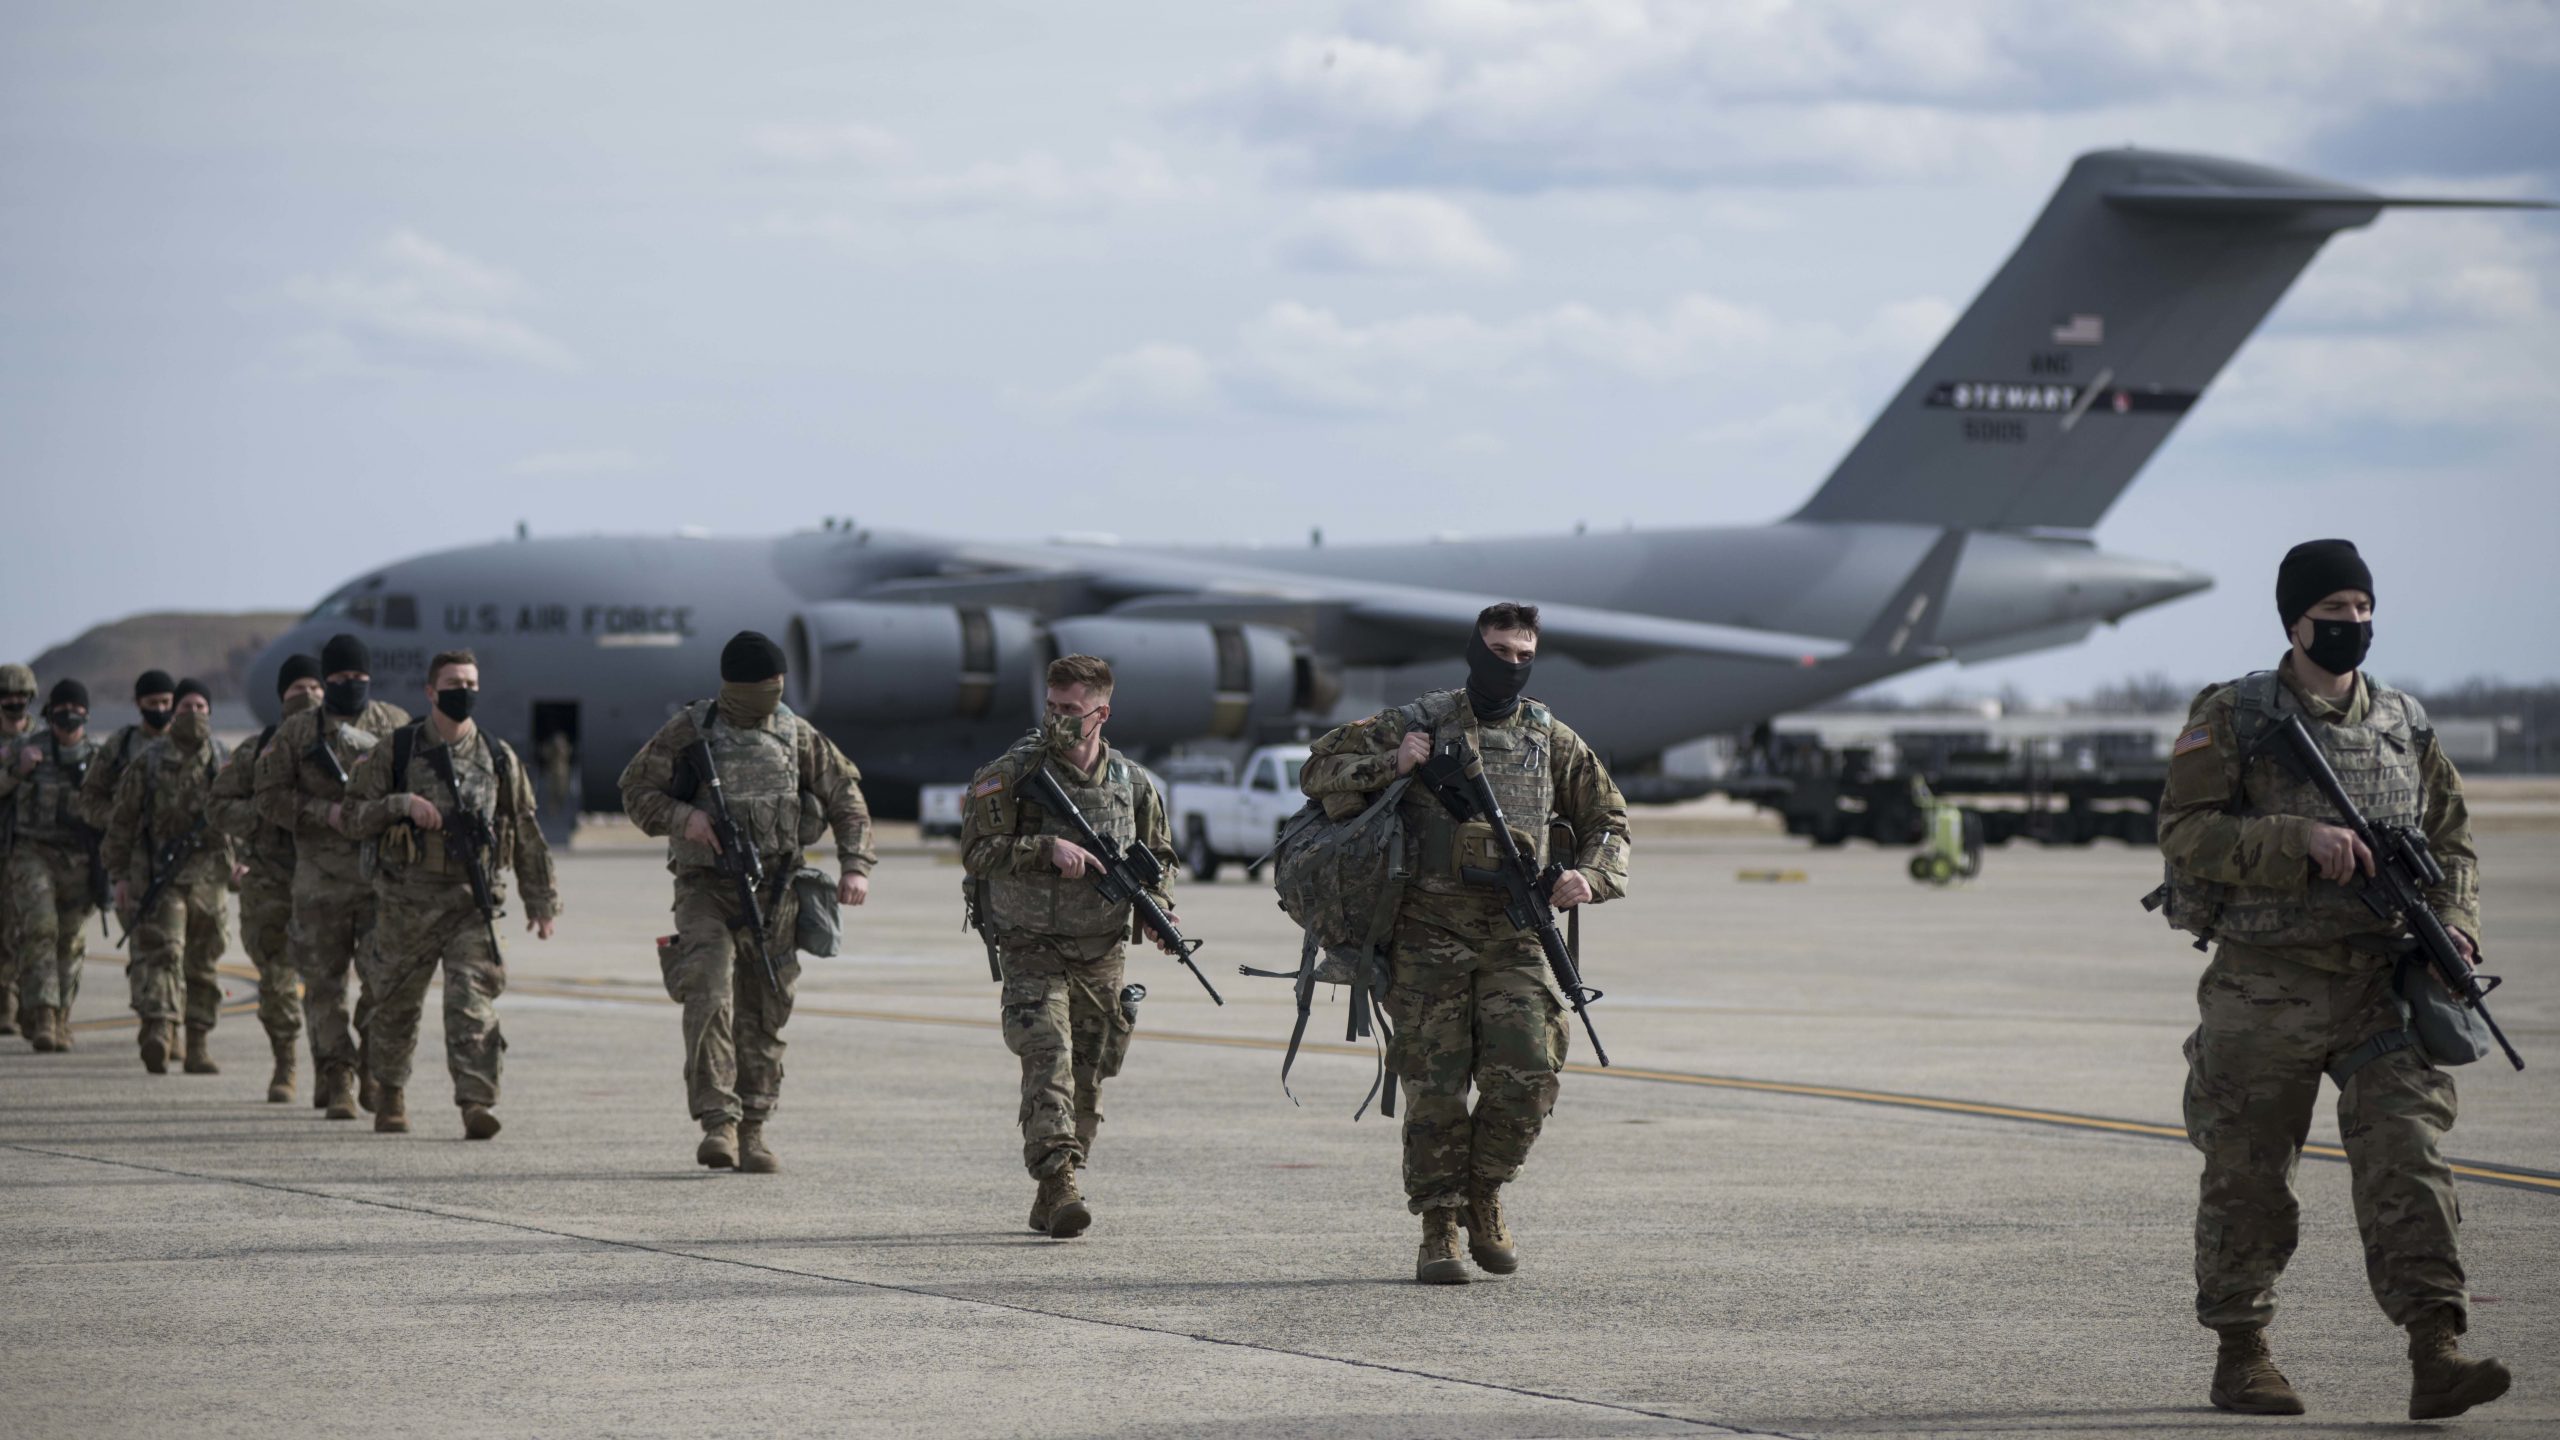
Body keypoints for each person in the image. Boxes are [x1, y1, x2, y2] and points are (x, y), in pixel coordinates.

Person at [2159, 539, 2510, 1421]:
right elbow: (2185, 833)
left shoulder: (2402, 721)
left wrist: (2456, 927)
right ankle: (2243, 1355)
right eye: (2335, 609)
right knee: (2246, 1178)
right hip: (2262, 990)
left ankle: (2437, 1349)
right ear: (2294, 621)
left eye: (2362, 607)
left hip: (2375, 988)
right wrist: (2296, 841)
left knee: (2411, 1162)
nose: (2353, 623)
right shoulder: (2235, 715)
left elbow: (2453, 838)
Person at [1299, 602, 1630, 1284]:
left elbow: (1609, 818)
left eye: (1522, 654)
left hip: (1516, 934)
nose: (1510, 664)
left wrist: (1589, 876)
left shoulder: (1551, 739)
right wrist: (1392, 762)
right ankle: (1438, 1225)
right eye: (1499, 650)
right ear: (1475, 650)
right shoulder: (1420, 720)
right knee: (1435, 1090)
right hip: (1428, 936)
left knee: (1532, 1074)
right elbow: (1317, 772)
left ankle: (1485, 1192)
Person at [616, 631, 873, 1172]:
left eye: (777, 688)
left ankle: (755, 1128)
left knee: (765, 1011)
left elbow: (845, 793)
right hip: (706, 889)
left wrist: (855, 865)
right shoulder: (691, 729)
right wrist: (686, 817)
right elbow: (635, 791)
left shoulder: (793, 733)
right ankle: (719, 1123)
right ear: (734, 686)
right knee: (709, 995)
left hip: (776, 891)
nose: (770, 698)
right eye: (761, 689)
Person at [960, 654, 1180, 1239]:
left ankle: (1057, 1182)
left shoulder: (1133, 784)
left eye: (1071, 710)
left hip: (1101, 950)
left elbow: (1160, 858)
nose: (1058, 719)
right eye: (1051, 707)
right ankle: (1059, 1182)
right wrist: (1042, 849)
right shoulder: (1010, 774)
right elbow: (977, 852)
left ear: (1101, 713)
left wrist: (1159, 911)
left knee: (1089, 1076)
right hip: (1030, 944)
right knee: (1047, 1057)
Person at [344, 649, 557, 1139]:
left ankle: (476, 1101)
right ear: (430, 691)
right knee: (394, 1006)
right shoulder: (395, 751)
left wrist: (541, 901)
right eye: (454, 682)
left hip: (470, 902)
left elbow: (525, 830)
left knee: (472, 1003)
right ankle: (391, 1093)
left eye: (470, 682)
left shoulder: (497, 757)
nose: (464, 690)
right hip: (406, 901)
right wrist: (401, 804)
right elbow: (353, 817)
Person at [254, 633, 410, 1119]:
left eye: (359, 678)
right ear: (326, 680)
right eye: (341, 678)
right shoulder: (298, 733)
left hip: (380, 882)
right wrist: (323, 812)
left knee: (383, 984)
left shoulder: (394, 725)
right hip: (319, 885)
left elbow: (416, 785)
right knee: (324, 989)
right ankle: (337, 1075)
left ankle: (368, 1063)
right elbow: (268, 796)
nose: (351, 685)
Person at [103, 678, 231, 1074]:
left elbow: (242, 816)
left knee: (203, 961)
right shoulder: (149, 760)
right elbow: (122, 821)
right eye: (186, 707)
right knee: (165, 951)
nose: (193, 715)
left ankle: (197, 1042)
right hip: (162, 873)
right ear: (174, 712)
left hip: (210, 877)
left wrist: (242, 860)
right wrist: (120, 875)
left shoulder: (222, 759)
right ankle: (159, 1030)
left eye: (200, 708)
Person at [210, 655, 322, 1101]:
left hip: (328, 881)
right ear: (281, 697)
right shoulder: (257, 750)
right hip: (271, 881)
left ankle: (335, 1074)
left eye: (316, 687)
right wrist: (264, 816)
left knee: (328, 983)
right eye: (298, 689)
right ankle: (286, 1063)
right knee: (277, 977)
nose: (309, 696)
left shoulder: (344, 747)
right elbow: (216, 806)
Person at [4, 681, 103, 1052]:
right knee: (41, 929)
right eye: (60, 707)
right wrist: (18, 770)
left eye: (75, 707)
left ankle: (61, 1017)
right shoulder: (25, 748)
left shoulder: (99, 758)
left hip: (79, 860)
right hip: (33, 852)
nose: (68, 715)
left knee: (71, 941)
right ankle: (43, 1015)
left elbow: (119, 807)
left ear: (86, 713)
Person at [76, 669, 177, 831]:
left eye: (166, 702)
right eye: (152, 703)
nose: (160, 709)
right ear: (138, 703)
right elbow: (89, 798)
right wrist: (117, 819)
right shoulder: (120, 745)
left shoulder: (188, 743)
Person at [0, 662, 37, 1038]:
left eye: (21, 697)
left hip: (30, 846)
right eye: (7, 697)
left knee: (26, 927)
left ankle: (25, 1006)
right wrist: (14, 772)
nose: (15, 703)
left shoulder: (41, 738)